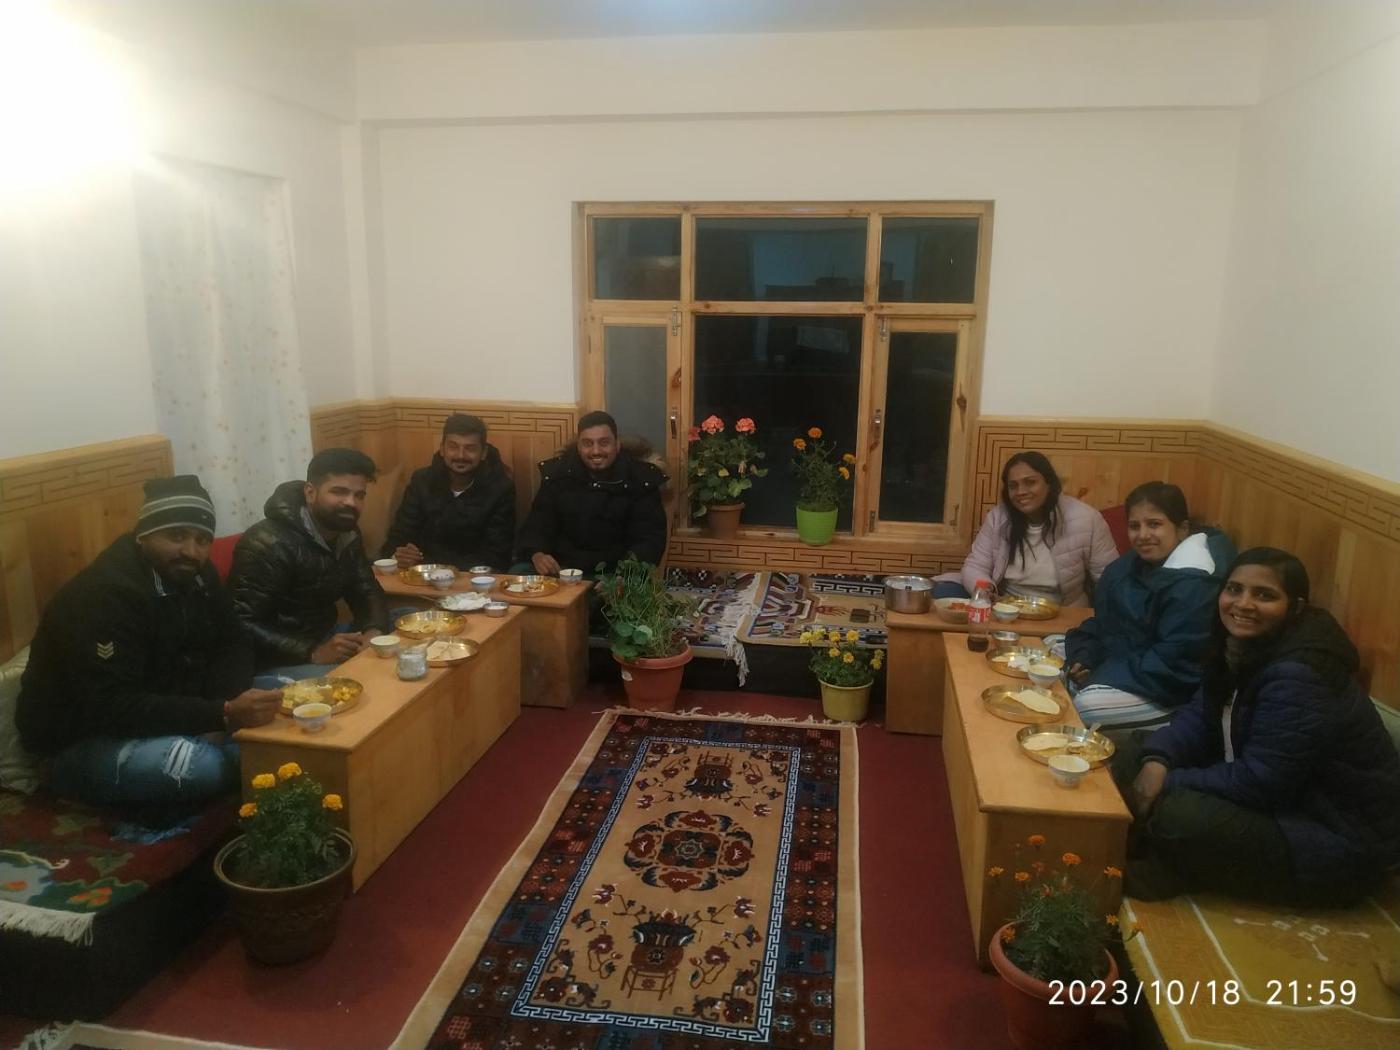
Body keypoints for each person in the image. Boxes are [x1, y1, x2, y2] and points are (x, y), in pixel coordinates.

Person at [1112, 547, 1400, 905]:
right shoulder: (1241, 645)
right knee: (1135, 752)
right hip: (1280, 804)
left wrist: (1168, 781)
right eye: (1234, 589)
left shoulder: (1298, 674)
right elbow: (1199, 715)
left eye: (1264, 595)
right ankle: (1155, 855)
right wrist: (1158, 760)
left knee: (1178, 812)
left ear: (1295, 607)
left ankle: (1167, 865)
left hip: (1335, 837)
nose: (1243, 604)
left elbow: (1263, 783)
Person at [16, 476, 281, 809]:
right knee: (204, 768)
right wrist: (220, 714)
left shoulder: (198, 574)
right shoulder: (102, 596)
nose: (190, 551)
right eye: (176, 535)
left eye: (202, 540)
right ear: (143, 534)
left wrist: (224, 705)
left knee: (293, 706)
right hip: (80, 741)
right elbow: (110, 707)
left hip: (176, 712)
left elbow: (234, 641)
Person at [1065, 482, 1234, 731]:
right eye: (1135, 526)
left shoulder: (1196, 583)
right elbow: (1106, 623)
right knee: (1048, 654)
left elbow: (1175, 664)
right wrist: (1085, 656)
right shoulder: (1132, 565)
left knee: (1085, 707)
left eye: (1154, 524)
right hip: (1131, 666)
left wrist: (1100, 673)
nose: (1143, 535)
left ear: (1182, 529)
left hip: (1172, 691)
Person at [229, 448, 389, 676]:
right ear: (310, 492)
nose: (350, 503)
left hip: (326, 638)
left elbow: (366, 589)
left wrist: (373, 631)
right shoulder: (268, 542)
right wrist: (313, 652)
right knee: (357, 680)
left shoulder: (347, 533)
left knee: (408, 620)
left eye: (359, 495)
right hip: (277, 660)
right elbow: (240, 623)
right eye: (339, 492)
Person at [934, 451, 1118, 606]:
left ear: (1049, 483)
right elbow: (975, 565)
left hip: (1061, 610)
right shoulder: (999, 517)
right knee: (941, 592)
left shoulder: (1087, 519)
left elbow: (1110, 579)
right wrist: (985, 589)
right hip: (1006, 607)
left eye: (1030, 482)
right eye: (1013, 486)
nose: (1021, 492)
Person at [514, 410, 668, 576]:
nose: (596, 451)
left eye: (604, 443)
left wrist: (623, 577)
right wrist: (537, 554)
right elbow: (537, 523)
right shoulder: (558, 475)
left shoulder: (640, 479)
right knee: (518, 573)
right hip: (561, 570)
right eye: (588, 444)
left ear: (617, 445)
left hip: (615, 574)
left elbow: (649, 540)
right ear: (578, 446)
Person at [382, 413, 515, 571]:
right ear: (442, 449)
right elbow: (400, 535)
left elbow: (497, 555)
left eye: (470, 449)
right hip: (420, 574)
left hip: (473, 577)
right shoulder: (422, 481)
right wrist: (400, 555)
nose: (460, 455)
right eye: (453, 447)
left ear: (484, 452)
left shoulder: (500, 489)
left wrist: (436, 567)